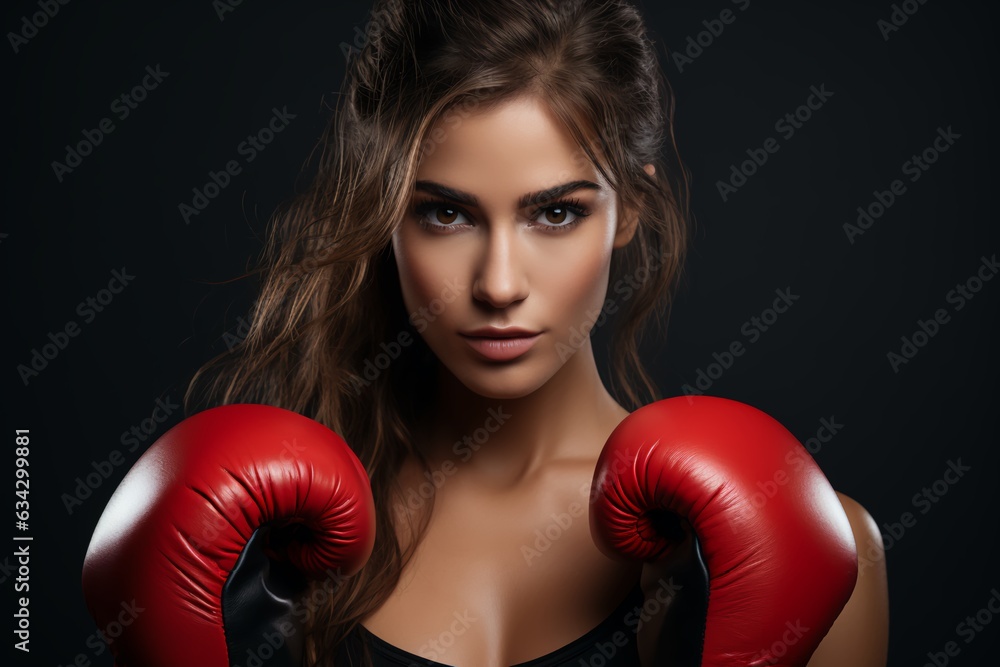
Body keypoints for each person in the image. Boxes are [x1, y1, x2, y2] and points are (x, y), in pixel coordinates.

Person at [83, 1, 889, 665]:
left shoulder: (812, 549)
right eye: (445, 212)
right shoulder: (255, 552)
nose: (499, 284)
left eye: (555, 212)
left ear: (630, 210)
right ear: (383, 215)